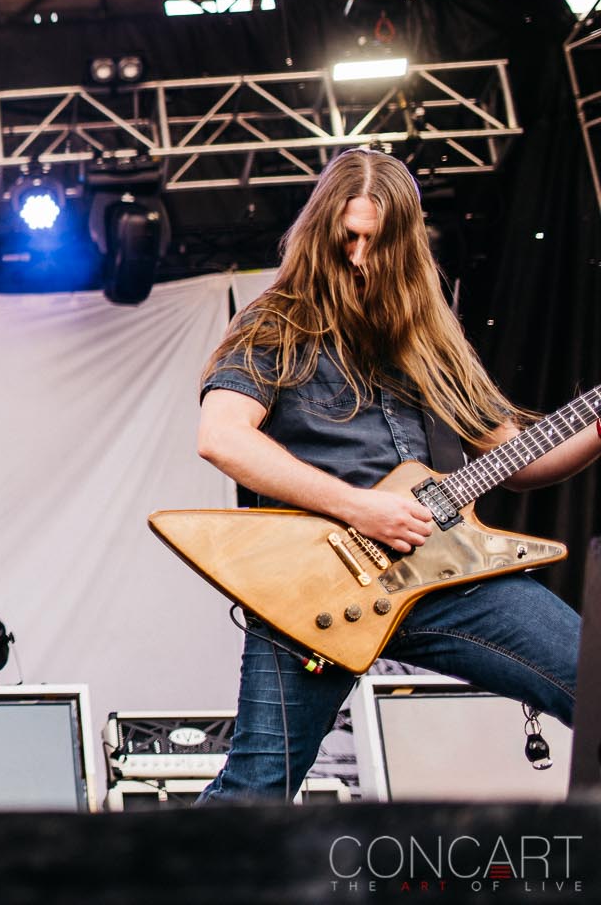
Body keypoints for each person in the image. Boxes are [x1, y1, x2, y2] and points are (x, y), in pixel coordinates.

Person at [193, 147, 599, 801]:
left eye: (375, 242)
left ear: (405, 242)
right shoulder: (275, 323)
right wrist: (359, 507)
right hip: (314, 586)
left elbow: (519, 459)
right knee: (257, 786)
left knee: (594, 683)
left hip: (449, 574)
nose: (359, 256)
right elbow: (222, 437)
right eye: (346, 238)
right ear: (320, 231)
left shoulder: (432, 336)